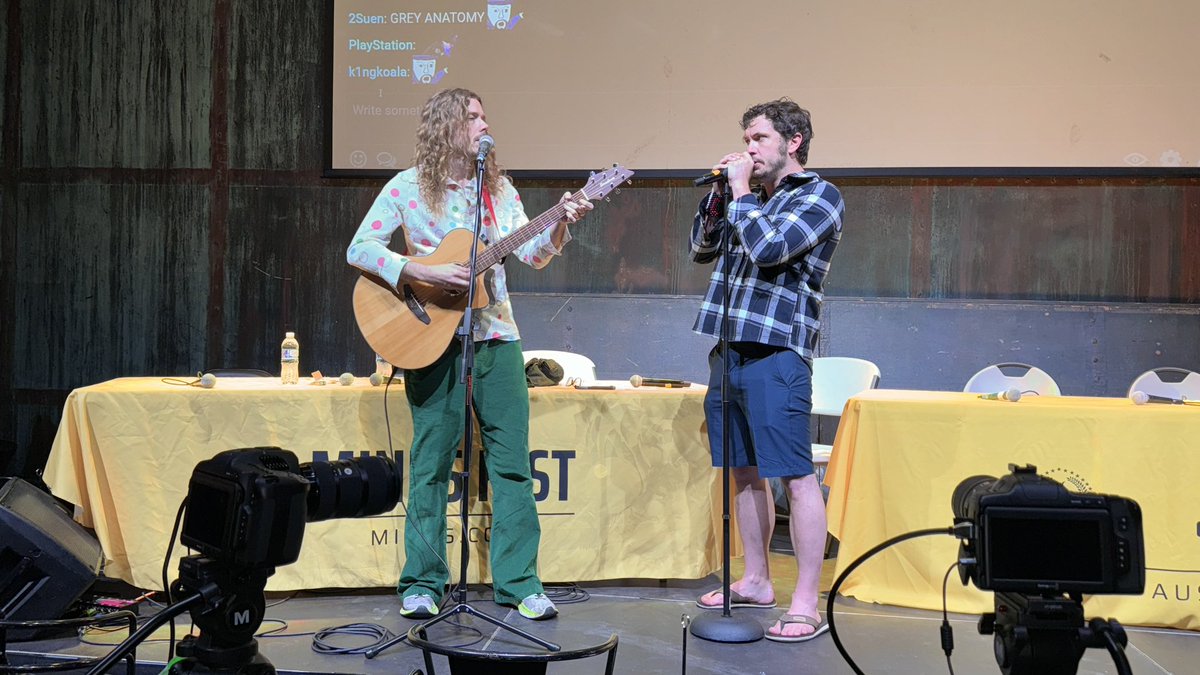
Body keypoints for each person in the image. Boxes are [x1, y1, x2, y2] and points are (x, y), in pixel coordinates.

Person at [346, 87, 592, 621]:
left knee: (511, 466)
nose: (484, 124)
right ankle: (422, 583)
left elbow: (532, 252)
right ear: (446, 127)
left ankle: (520, 583)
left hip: (497, 337)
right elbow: (359, 248)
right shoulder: (407, 187)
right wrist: (421, 270)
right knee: (431, 465)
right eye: (473, 117)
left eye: (485, 115)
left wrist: (562, 220)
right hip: (430, 339)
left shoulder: (498, 190)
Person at [689, 99, 844, 642]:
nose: (749, 148)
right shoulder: (747, 198)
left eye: (758, 138)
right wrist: (719, 197)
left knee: (796, 477)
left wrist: (739, 195)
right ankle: (756, 579)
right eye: (746, 139)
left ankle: (807, 600)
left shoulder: (821, 197)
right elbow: (701, 249)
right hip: (729, 346)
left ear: (793, 141)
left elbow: (770, 249)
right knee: (741, 471)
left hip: (778, 350)